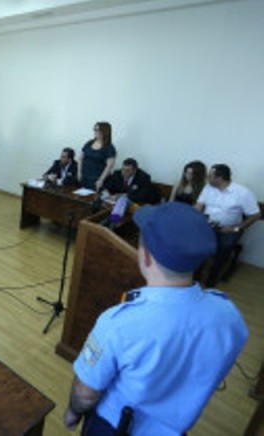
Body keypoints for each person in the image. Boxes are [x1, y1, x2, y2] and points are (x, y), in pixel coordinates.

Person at [64, 201, 248, 435]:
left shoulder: (119, 323)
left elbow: (85, 394)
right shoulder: (230, 316)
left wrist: (73, 412)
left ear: (147, 257)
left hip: (115, 428)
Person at [194, 164, 261, 287]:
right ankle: (195, 275)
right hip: (208, 225)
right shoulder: (208, 187)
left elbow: (256, 215)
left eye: (210, 176)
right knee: (198, 246)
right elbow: (199, 205)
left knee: (224, 249)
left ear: (219, 178)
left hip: (228, 229)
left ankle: (212, 278)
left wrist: (236, 228)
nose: (207, 178)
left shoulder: (242, 192)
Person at [77, 122, 116, 191]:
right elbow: (80, 158)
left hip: (97, 179)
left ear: (104, 132)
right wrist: (79, 172)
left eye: (97, 130)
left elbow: (109, 166)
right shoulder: (89, 143)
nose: (95, 132)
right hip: (84, 177)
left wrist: (101, 180)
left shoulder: (109, 147)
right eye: (94, 129)